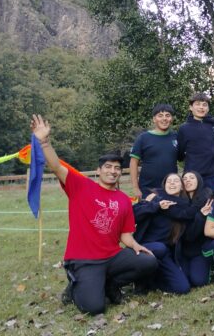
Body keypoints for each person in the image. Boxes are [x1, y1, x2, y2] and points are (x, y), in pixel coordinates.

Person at [30, 114, 157, 315]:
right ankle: (74, 289)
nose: (113, 171)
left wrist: (135, 246)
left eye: (117, 168)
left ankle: (110, 284)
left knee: (148, 261)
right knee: (95, 307)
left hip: (112, 256)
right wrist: (44, 142)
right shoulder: (80, 186)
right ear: (98, 171)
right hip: (83, 259)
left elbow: (125, 234)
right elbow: (56, 166)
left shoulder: (124, 199)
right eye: (108, 167)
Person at [132, 173, 193, 294]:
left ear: (182, 187)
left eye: (176, 181)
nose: (172, 183)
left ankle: (153, 281)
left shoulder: (184, 207)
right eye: (168, 181)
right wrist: (156, 206)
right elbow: (133, 214)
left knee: (183, 288)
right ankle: (143, 279)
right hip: (145, 246)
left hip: (165, 254)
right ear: (164, 185)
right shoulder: (155, 198)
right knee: (160, 248)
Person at [176, 92, 214, 195]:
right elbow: (179, 154)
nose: (201, 107)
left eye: (204, 105)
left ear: (208, 108)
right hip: (192, 176)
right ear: (191, 107)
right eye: (197, 104)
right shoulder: (184, 128)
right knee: (193, 207)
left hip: (213, 176)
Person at [129, 104, 178, 199]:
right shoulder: (143, 138)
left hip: (171, 189)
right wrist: (135, 188)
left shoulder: (176, 137)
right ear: (154, 119)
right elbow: (133, 162)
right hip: (147, 190)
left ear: (171, 119)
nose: (164, 119)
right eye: (160, 115)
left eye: (167, 115)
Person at [178, 171, 214, 287]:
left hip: (199, 250)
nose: (188, 180)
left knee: (198, 281)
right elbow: (185, 234)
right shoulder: (179, 202)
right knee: (184, 281)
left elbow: (192, 234)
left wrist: (201, 216)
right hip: (183, 250)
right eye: (185, 178)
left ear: (199, 180)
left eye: (192, 178)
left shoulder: (207, 200)